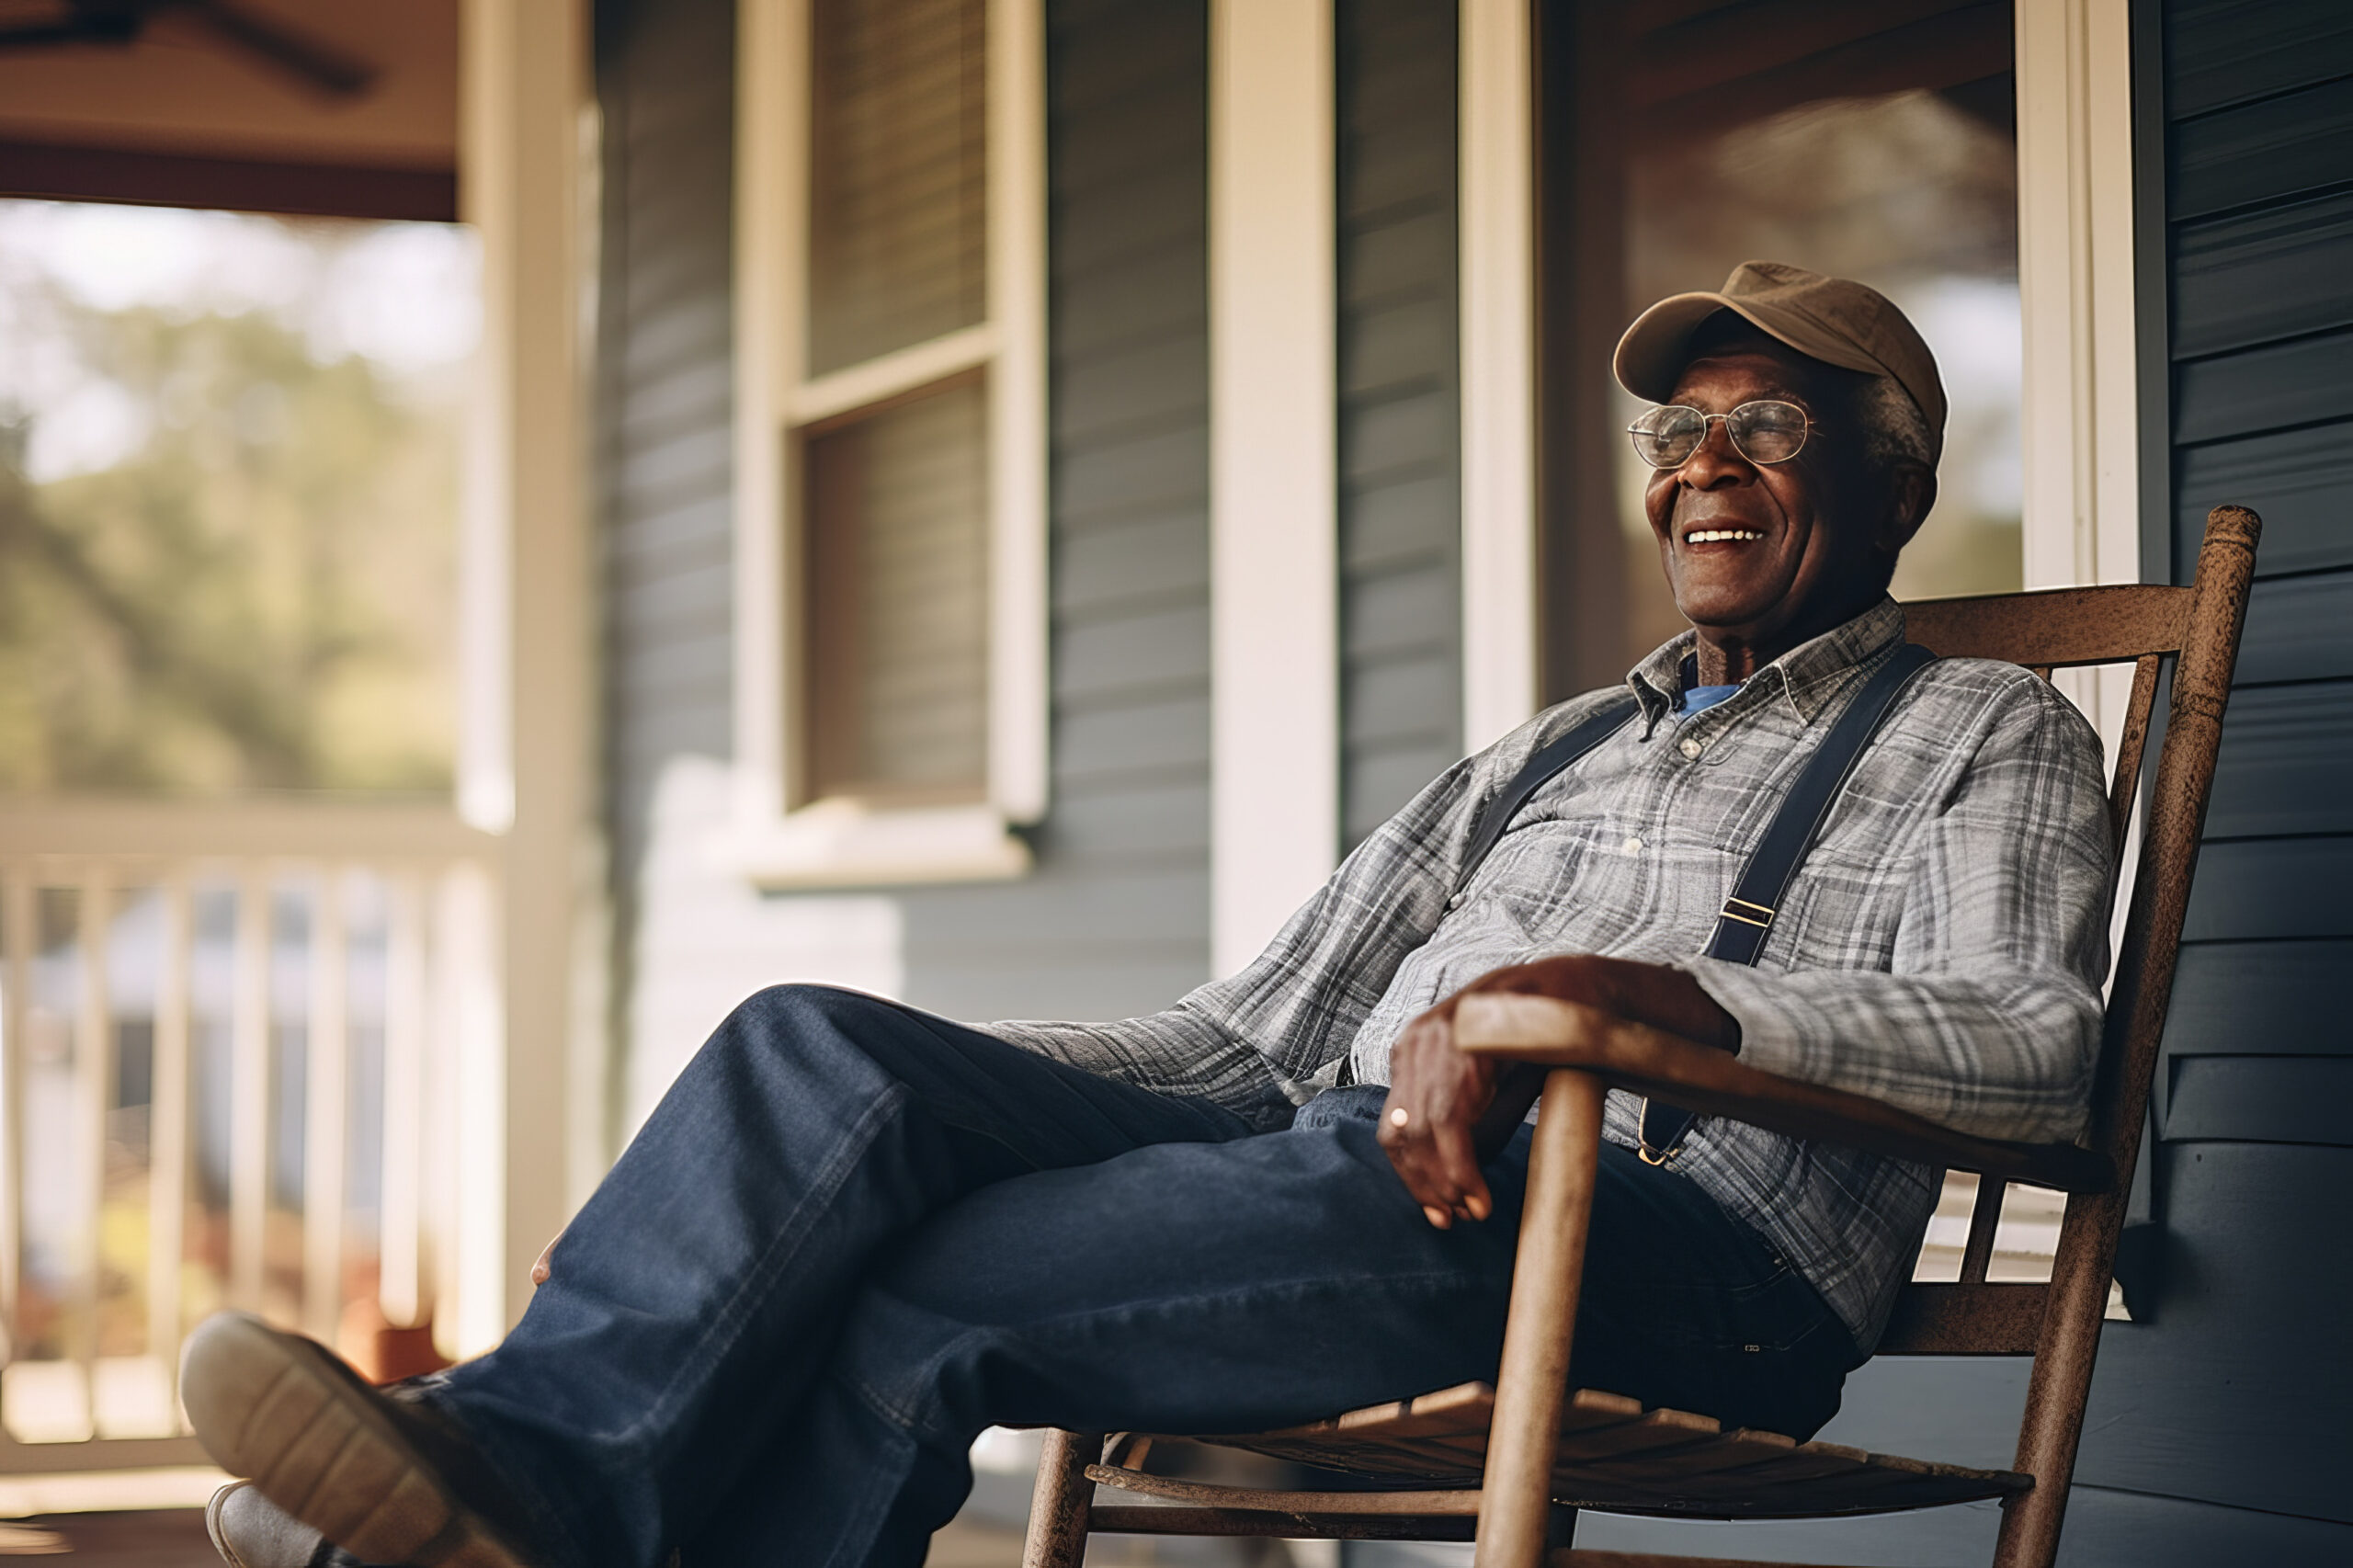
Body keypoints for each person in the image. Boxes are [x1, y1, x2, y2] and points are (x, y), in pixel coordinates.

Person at [183, 263, 2115, 1568]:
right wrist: (827, 1153)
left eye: (1766, 426)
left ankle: (501, 1491)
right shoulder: (1543, 755)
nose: (1701, 465)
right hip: (1329, 1154)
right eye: (1674, 435)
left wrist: (1626, 997)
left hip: (1684, 1256)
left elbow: (2036, 1053)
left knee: (934, 1295)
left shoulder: (1982, 729)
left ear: (1888, 470)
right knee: (807, 1056)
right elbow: (1241, 1042)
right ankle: (519, 1452)